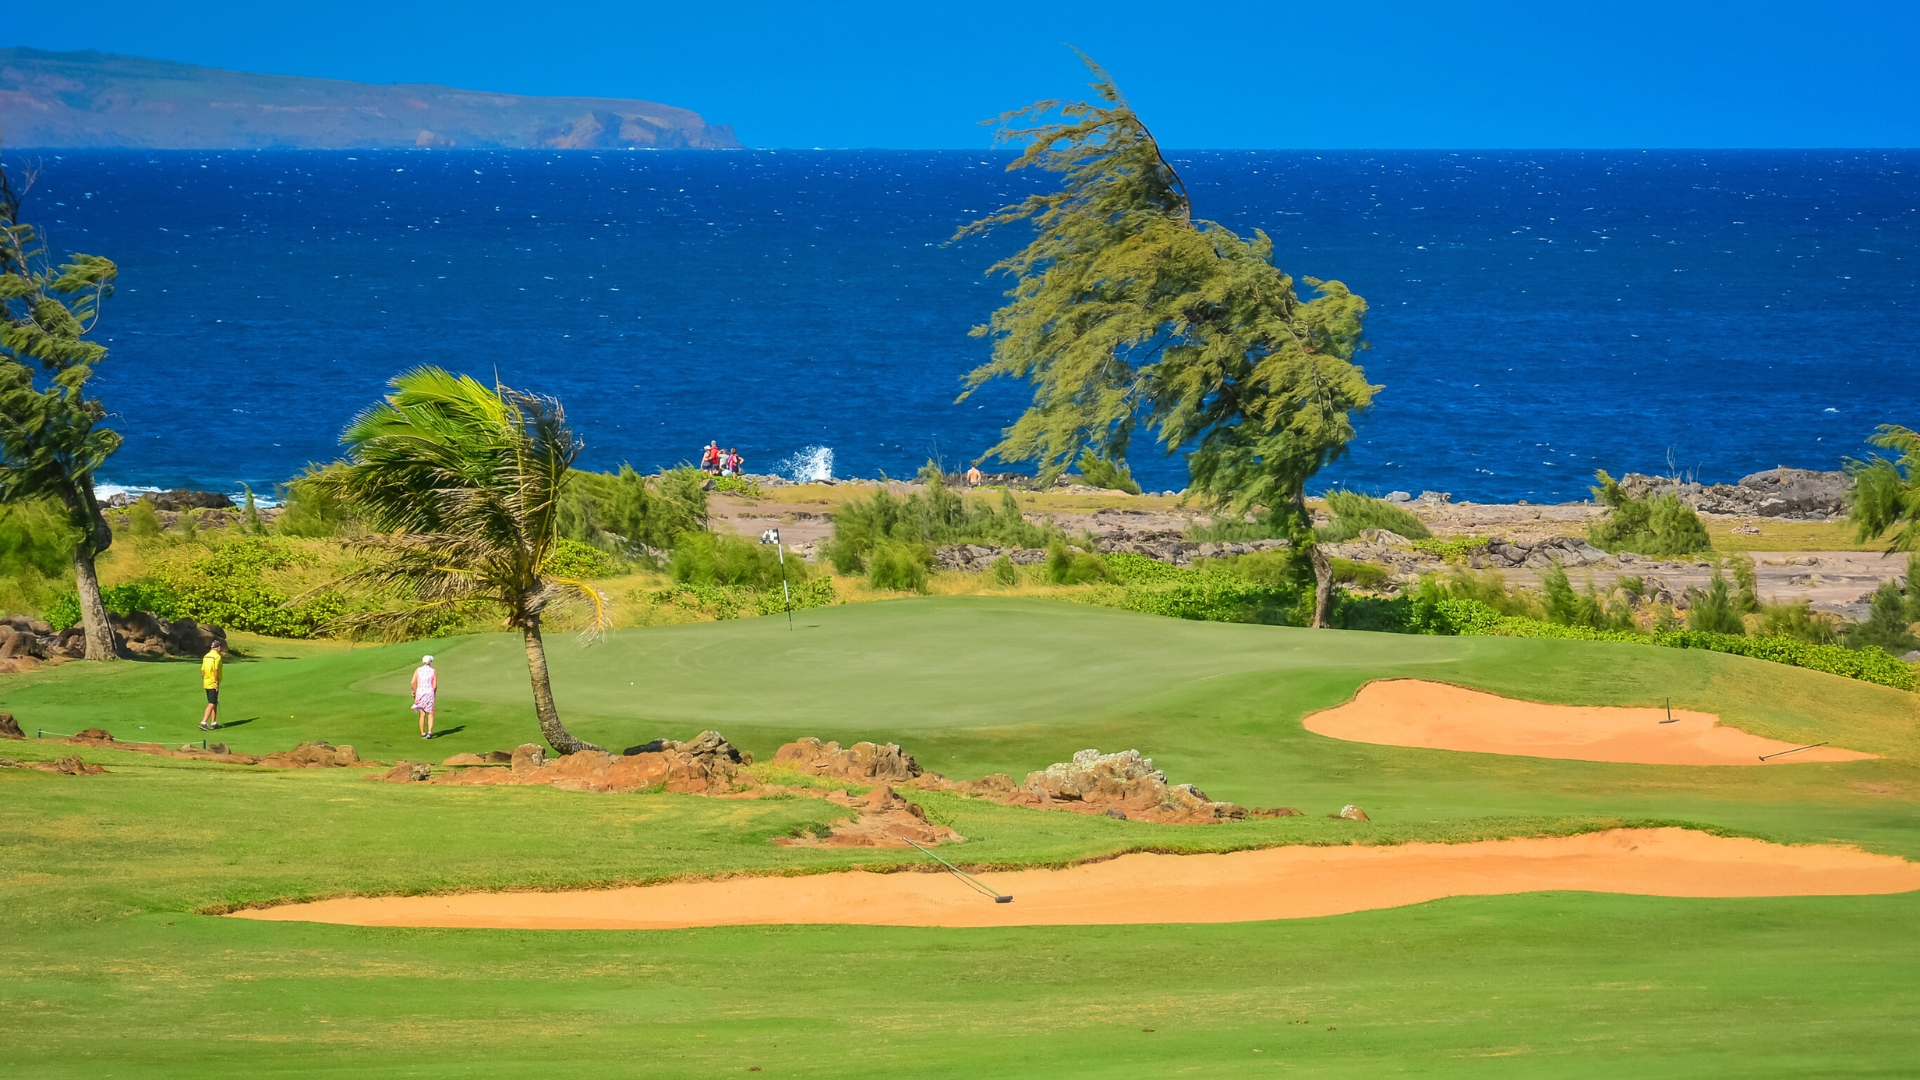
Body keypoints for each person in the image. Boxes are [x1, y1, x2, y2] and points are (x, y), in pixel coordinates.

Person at [199, 640, 226, 730]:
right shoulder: (217, 657)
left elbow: (202, 670)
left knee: (214, 701)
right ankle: (204, 722)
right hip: (213, 682)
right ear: (218, 648)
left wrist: (204, 680)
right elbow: (215, 670)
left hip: (206, 681)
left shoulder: (206, 656)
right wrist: (216, 682)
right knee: (211, 703)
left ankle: (214, 722)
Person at [411, 654, 438, 739]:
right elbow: (434, 685)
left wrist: (413, 691)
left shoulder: (418, 670)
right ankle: (429, 732)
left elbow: (412, 682)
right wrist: (433, 694)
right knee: (430, 713)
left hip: (420, 693)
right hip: (429, 692)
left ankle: (423, 733)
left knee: (422, 714)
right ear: (430, 662)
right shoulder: (433, 671)